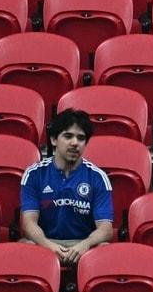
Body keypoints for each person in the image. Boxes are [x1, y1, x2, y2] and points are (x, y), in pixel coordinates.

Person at [19, 108, 115, 264]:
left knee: (104, 249)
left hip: (82, 244)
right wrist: (48, 245)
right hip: (46, 242)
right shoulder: (35, 174)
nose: (75, 143)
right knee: (25, 246)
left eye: (81, 138)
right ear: (53, 140)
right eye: (68, 136)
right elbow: (28, 224)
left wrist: (86, 244)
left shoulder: (98, 177)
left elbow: (106, 228)